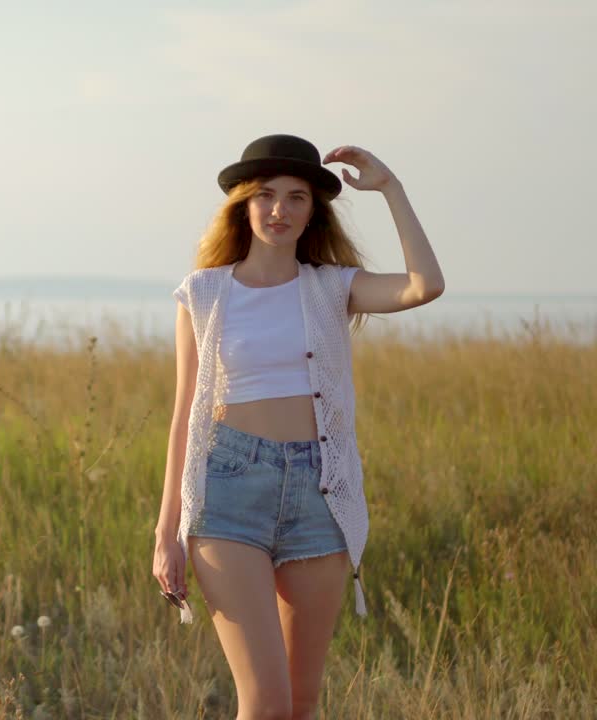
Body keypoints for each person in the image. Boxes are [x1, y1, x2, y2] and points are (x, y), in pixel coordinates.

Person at [151, 134, 444, 720]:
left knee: (301, 701)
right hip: (228, 489)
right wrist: (167, 531)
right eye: (265, 196)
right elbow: (185, 413)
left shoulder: (333, 287)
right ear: (243, 204)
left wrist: (391, 187)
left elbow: (424, 285)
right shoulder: (204, 293)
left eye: (296, 198)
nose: (280, 210)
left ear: (313, 212)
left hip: (320, 491)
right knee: (264, 701)